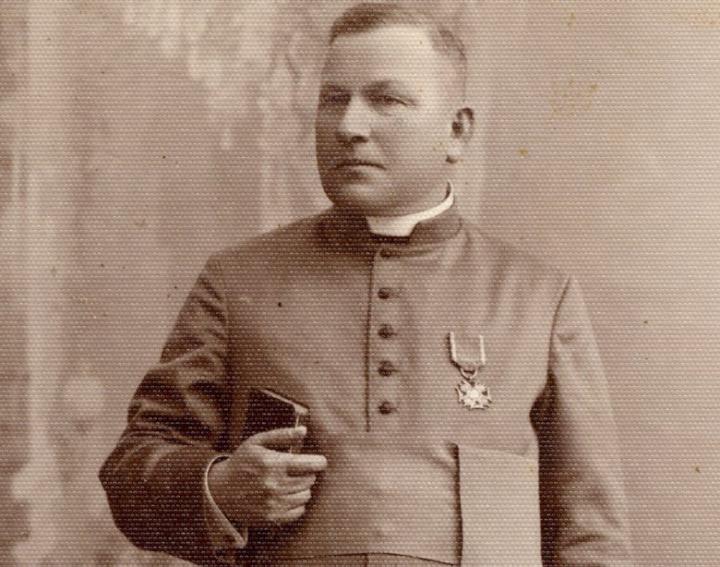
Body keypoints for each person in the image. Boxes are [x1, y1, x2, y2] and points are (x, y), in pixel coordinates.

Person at [100, 3, 634, 566]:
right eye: (334, 99)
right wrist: (223, 485)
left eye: (387, 100)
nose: (349, 126)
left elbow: (592, 538)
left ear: (456, 131)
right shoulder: (237, 282)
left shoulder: (539, 299)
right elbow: (131, 471)